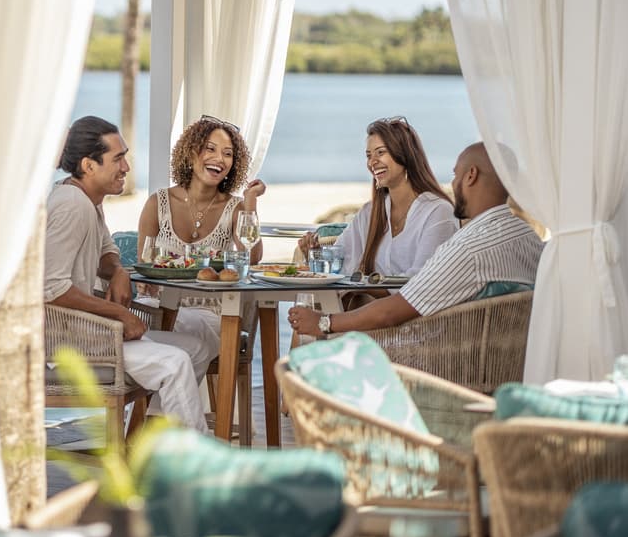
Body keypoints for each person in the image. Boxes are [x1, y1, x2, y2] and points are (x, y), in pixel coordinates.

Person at [44, 116, 211, 433]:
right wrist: (120, 313)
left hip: (88, 333)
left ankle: (149, 441)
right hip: (68, 344)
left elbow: (106, 250)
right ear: (88, 165)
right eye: (117, 158)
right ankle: (191, 460)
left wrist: (118, 271)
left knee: (196, 348)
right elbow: (51, 288)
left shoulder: (87, 199)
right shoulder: (72, 205)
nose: (126, 167)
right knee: (174, 363)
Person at [288, 142, 544, 336]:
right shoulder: (530, 239)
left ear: (471, 175)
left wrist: (324, 322)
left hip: (438, 363)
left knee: (324, 343)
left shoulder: (468, 249)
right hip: (506, 363)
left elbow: (393, 312)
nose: (453, 183)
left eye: (455, 175)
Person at [137, 115, 266, 360]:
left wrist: (250, 201)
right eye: (210, 149)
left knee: (153, 333)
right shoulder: (158, 203)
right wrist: (146, 282)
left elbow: (251, 257)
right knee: (147, 322)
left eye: (228, 154)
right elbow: (145, 263)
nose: (219, 159)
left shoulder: (235, 208)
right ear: (190, 153)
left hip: (211, 314)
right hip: (159, 306)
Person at [298, 116, 457, 277]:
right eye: (369, 155)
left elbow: (423, 278)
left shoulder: (438, 211)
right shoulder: (369, 212)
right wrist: (315, 254)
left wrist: (372, 287)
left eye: (380, 152)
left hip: (410, 295)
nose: (372, 162)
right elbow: (341, 265)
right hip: (370, 294)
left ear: (405, 155)